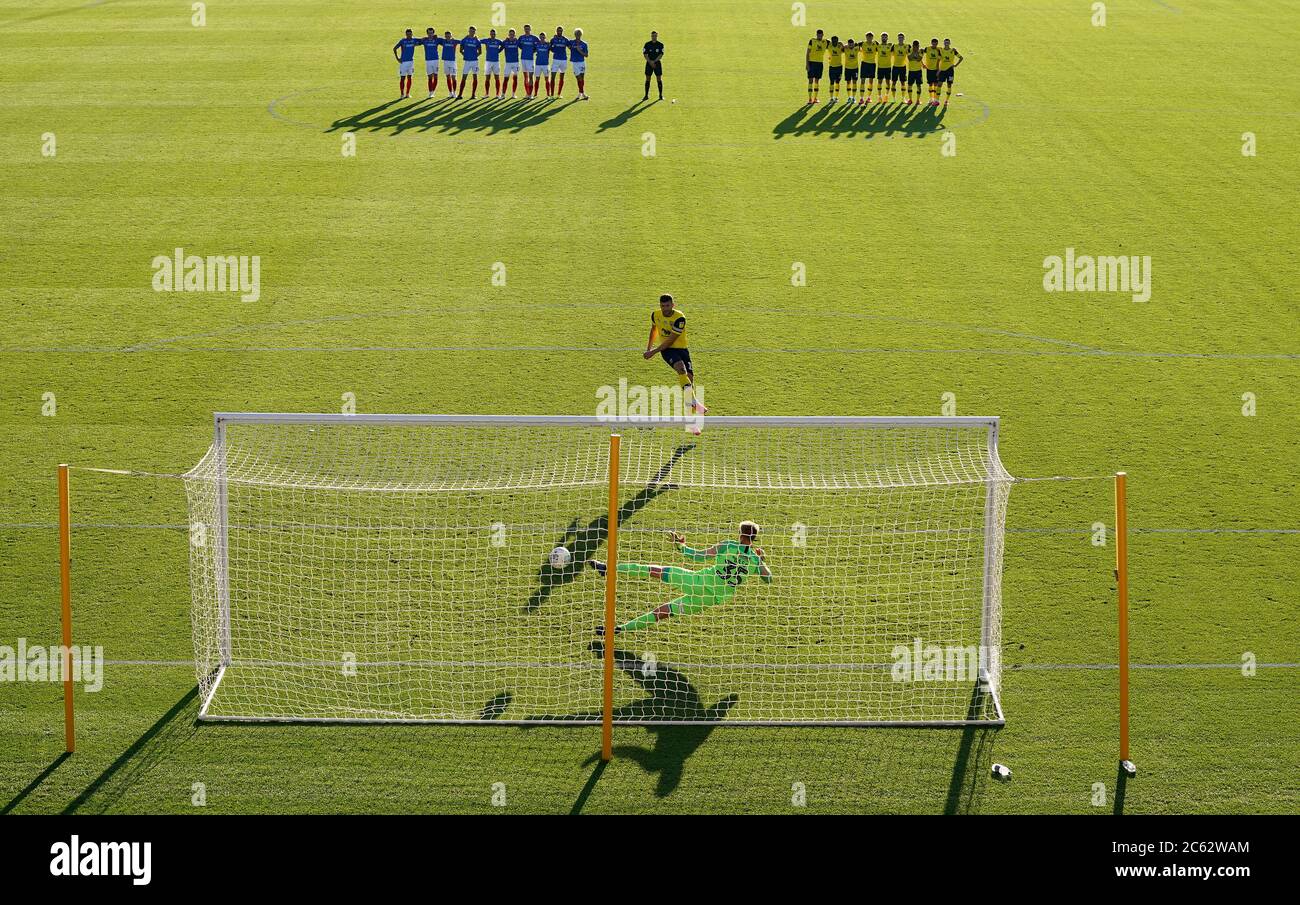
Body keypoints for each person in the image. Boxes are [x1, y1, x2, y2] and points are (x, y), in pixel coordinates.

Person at [588, 523, 772, 635]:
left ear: (740, 533)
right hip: (708, 600)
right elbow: (768, 579)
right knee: (663, 612)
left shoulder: (728, 545)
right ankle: (618, 630)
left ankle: (608, 569)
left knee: (654, 570)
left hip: (696, 582)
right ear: (754, 538)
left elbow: (698, 556)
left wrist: (681, 546)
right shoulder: (755, 560)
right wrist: (760, 560)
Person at [645, 293, 707, 415]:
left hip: (681, 349)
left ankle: (691, 412)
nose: (665, 309)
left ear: (673, 305)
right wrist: (649, 348)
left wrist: (653, 352)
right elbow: (654, 330)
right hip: (667, 350)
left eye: (667, 305)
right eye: (662, 306)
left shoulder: (680, 319)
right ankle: (694, 402)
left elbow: (670, 340)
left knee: (689, 379)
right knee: (680, 368)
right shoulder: (655, 315)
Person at [456, 26, 482, 99]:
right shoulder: (464, 40)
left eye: (473, 31)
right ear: (468, 31)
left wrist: (474, 56)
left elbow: (480, 52)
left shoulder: (477, 41)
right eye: (471, 31)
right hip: (467, 62)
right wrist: (466, 55)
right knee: (464, 77)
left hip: (475, 62)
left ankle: (473, 95)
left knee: (475, 77)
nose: (472, 32)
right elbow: (461, 50)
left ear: (475, 32)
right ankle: (460, 94)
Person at [392, 29, 419, 99]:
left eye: (410, 34)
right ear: (406, 34)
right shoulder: (402, 41)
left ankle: (407, 93)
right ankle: (402, 94)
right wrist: (398, 58)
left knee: (410, 77)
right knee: (402, 78)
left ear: (412, 34)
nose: (409, 35)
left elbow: (423, 40)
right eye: (408, 34)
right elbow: (394, 48)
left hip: (411, 62)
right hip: (403, 62)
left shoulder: (414, 40)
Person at [805, 28, 828, 104]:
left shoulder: (825, 42)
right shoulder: (812, 41)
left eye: (821, 35)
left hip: (819, 64)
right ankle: (809, 99)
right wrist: (807, 64)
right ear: (816, 35)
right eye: (818, 35)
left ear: (823, 35)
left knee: (817, 81)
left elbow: (835, 44)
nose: (819, 37)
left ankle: (815, 98)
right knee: (811, 80)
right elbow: (808, 53)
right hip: (811, 63)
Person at [938, 38, 963, 105]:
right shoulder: (941, 51)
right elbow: (939, 60)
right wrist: (938, 70)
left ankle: (946, 101)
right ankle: (937, 100)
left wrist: (956, 65)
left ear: (949, 43)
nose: (946, 44)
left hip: (950, 71)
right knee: (939, 84)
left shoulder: (953, 51)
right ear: (944, 43)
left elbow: (961, 58)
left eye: (948, 42)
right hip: (942, 70)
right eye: (945, 42)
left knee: (949, 85)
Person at [517, 25, 540, 98]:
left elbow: (539, 45)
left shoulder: (534, 38)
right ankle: (527, 93)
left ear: (530, 29)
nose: (527, 30)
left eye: (528, 29)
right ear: (524, 29)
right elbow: (519, 45)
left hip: (530, 60)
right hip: (523, 59)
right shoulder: (521, 37)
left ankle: (530, 94)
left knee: (530, 77)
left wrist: (533, 51)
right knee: (525, 77)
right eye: (525, 29)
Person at [643, 31, 665, 101]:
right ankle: (646, 95)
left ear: (657, 36)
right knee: (647, 79)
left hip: (657, 63)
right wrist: (650, 62)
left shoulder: (660, 45)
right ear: (651, 36)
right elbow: (645, 54)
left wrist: (654, 61)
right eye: (653, 36)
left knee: (659, 79)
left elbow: (661, 55)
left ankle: (660, 95)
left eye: (655, 36)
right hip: (649, 63)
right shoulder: (647, 44)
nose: (654, 37)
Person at [420, 28, 441, 99]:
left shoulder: (437, 39)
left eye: (431, 33)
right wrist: (422, 39)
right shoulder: (424, 40)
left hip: (435, 60)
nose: (430, 34)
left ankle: (433, 92)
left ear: (433, 33)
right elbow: (417, 41)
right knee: (429, 77)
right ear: (427, 33)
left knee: (435, 76)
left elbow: (446, 40)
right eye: (429, 33)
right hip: (428, 60)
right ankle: (430, 92)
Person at [570, 29, 590, 100]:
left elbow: (586, 55)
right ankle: (583, 94)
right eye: (576, 34)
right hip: (575, 63)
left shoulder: (584, 44)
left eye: (579, 34)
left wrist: (579, 50)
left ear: (581, 35)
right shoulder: (571, 42)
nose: (578, 35)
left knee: (582, 78)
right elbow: (565, 43)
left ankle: (580, 93)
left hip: (582, 63)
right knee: (578, 78)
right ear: (575, 35)